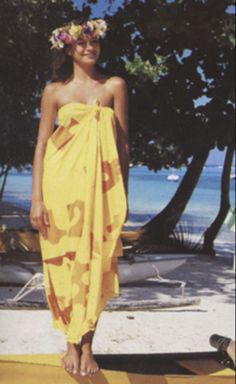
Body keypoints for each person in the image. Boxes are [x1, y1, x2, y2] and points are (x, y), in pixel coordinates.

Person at [30, 17, 129, 377]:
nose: (90, 49)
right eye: (82, 44)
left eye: (94, 43)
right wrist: (36, 199)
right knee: (64, 265)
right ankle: (70, 344)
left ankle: (88, 345)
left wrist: (124, 197)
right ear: (69, 49)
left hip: (100, 193)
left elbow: (123, 146)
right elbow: (42, 145)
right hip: (60, 189)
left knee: (97, 265)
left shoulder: (114, 86)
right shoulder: (54, 91)